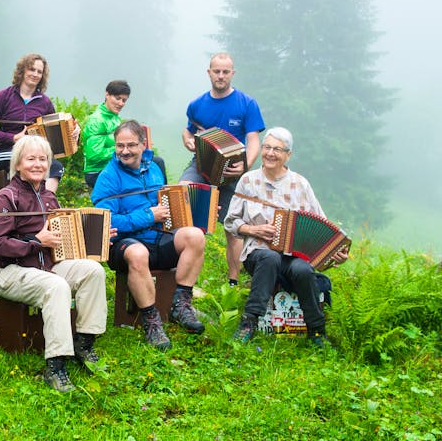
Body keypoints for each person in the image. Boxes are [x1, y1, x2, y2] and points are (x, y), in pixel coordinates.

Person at [0, 135, 107, 392]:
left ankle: (84, 343)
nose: (38, 164)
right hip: (11, 272)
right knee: (57, 286)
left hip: (47, 267)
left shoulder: (50, 198)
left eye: (43, 159)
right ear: (18, 164)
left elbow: (60, 240)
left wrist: (94, 237)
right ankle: (56, 366)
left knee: (93, 271)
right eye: (31, 159)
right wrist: (34, 241)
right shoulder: (6, 197)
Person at [224, 127, 349, 347]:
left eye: (277, 149)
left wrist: (336, 253)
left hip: (293, 256)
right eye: (267, 147)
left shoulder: (300, 184)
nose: (270, 153)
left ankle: (316, 331)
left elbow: (323, 225)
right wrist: (253, 230)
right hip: (258, 254)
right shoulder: (248, 181)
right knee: (269, 258)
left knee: (303, 269)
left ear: (288, 155)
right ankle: (249, 322)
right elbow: (230, 222)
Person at [92, 121, 206, 350]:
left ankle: (180, 305)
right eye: (120, 145)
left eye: (131, 145)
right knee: (137, 253)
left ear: (143, 145)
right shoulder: (108, 176)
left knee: (195, 236)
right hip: (123, 245)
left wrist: (197, 209)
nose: (125, 151)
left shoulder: (155, 167)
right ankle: (151, 320)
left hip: (158, 237)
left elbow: (164, 205)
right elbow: (105, 220)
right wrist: (147, 216)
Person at [181, 53, 265, 287]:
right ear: (209, 72)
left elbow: (254, 139)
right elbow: (188, 130)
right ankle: (185, 279)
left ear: (232, 73)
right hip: (201, 166)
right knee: (182, 196)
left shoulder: (246, 103)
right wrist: (187, 140)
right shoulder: (197, 104)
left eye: (225, 72)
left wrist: (244, 166)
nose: (220, 76)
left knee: (234, 226)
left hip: (232, 171)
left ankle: (233, 282)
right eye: (216, 71)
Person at [0, 53, 77, 193]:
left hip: (35, 152)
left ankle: (44, 205)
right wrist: (13, 138)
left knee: (56, 167)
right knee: (29, 163)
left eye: (39, 72)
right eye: (32, 69)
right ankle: (21, 203)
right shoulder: (3, 96)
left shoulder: (45, 102)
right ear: (22, 71)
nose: (35, 74)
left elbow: (57, 131)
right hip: (6, 151)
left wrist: (74, 131)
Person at [81, 80, 131, 188]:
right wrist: (123, 150)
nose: (121, 103)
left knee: (155, 162)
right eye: (117, 98)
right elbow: (94, 155)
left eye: (124, 100)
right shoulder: (97, 120)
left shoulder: (115, 117)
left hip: (113, 166)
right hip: (97, 172)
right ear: (107, 95)